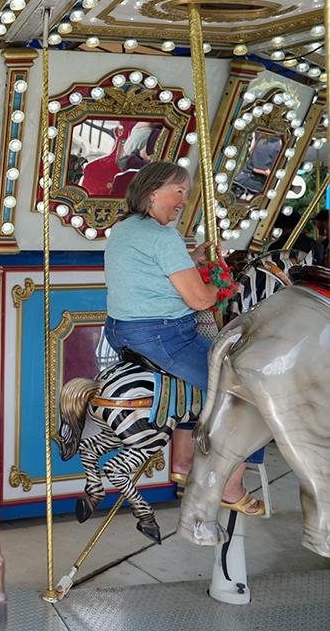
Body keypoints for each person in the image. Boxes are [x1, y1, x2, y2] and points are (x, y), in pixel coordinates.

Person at [103, 161, 264, 516]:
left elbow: (146, 268)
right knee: (245, 387)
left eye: (186, 194)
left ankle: (184, 460)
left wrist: (191, 259)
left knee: (202, 381)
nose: (183, 201)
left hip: (120, 331)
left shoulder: (124, 229)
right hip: (163, 336)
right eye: (178, 192)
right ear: (152, 192)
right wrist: (221, 283)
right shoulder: (163, 237)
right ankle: (232, 484)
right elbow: (200, 300)